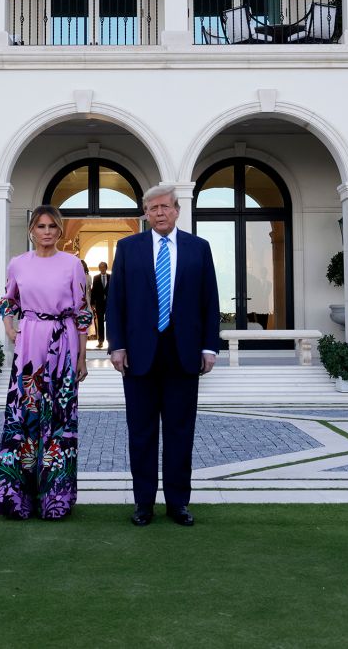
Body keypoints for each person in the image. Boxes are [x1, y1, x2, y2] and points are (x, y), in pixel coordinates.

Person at [107, 185, 219, 527]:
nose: (159, 213)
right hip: (139, 356)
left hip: (183, 355)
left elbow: (210, 301)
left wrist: (208, 347)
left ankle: (178, 504)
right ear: (145, 212)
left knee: (179, 432)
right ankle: (143, 504)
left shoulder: (199, 249)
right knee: (140, 434)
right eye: (152, 208)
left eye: (165, 207)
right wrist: (117, 346)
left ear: (177, 210)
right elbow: (116, 302)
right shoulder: (128, 249)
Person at [0, 205, 92, 520]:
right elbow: (8, 300)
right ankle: (16, 499)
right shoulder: (18, 264)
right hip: (29, 344)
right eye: (41, 226)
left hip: (62, 343)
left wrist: (82, 356)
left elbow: (83, 313)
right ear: (31, 231)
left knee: (60, 421)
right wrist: (10, 327)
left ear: (60, 231)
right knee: (23, 419)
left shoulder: (73, 265)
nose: (47, 232)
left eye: (52, 226)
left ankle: (56, 500)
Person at [90, 260, 110, 349]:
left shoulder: (111, 277)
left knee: (110, 322)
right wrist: (92, 302)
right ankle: (100, 341)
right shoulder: (96, 278)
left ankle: (111, 342)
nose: (102, 268)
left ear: (106, 268)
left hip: (109, 304)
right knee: (100, 322)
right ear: (99, 268)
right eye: (100, 267)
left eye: (103, 267)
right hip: (99, 303)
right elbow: (93, 291)